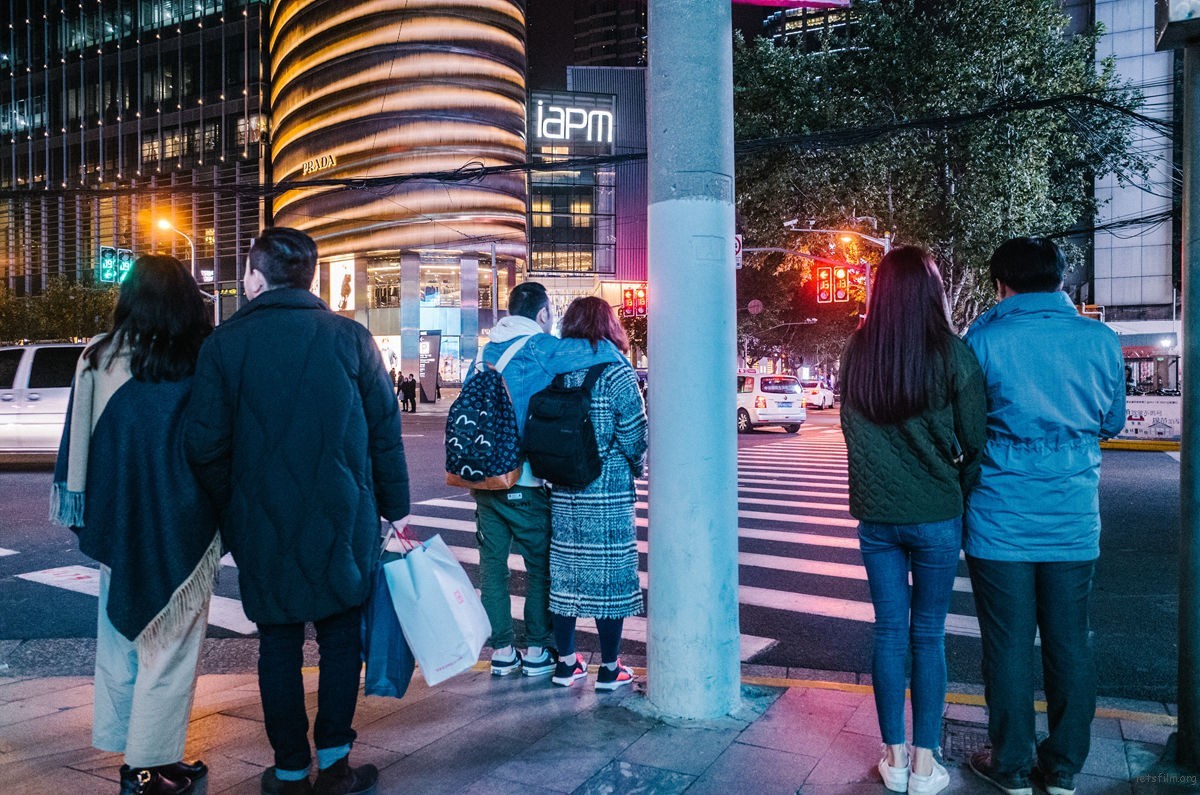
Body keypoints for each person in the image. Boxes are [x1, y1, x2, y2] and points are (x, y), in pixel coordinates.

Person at [184, 228, 410, 795]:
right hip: (345, 517)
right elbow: (386, 432)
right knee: (340, 640)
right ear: (308, 277)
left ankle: (288, 770)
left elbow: (204, 445)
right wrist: (395, 508)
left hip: (260, 521)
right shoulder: (351, 339)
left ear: (256, 278)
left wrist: (232, 513)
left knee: (278, 643)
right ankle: (334, 764)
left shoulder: (224, 345)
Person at [50, 255, 217, 795]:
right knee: (170, 648)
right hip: (184, 524)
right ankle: (145, 769)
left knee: (120, 638)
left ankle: (150, 757)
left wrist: (81, 502)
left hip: (116, 520)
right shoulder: (200, 359)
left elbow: (80, 444)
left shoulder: (98, 355)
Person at [964, 237, 1125, 795]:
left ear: (1000, 284)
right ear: (1062, 281)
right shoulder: (1100, 341)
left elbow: (968, 427)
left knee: (1006, 647)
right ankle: (1061, 771)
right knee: (1070, 643)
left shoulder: (983, 341)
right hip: (1073, 519)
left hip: (998, 519)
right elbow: (1111, 423)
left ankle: (1008, 765)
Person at [839, 246, 987, 795]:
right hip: (936, 516)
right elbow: (976, 443)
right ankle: (925, 766)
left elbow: (851, 429)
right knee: (928, 636)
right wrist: (953, 489)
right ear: (933, 292)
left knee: (887, 633)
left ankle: (893, 757)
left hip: (877, 518)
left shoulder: (857, 350)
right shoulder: (952, 354)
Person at [468, 282, 624, 678]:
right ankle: (537, 650)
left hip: (485, 480)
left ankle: (502, 653)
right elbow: (595, 349)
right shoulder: (539, 348)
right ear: (541, 315)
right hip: (525, 480)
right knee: (540, 568)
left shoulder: (485, 353)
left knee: (492, 569)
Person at [546, 297, 647, 690]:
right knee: (611, 578)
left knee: (565, 576)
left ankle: (566, 663)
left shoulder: (553, 368)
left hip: (563, 486)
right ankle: (609, 667)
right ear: (609, 326)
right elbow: (636, 433)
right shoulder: (616, 372)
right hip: (606, 487)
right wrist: (632, 464)